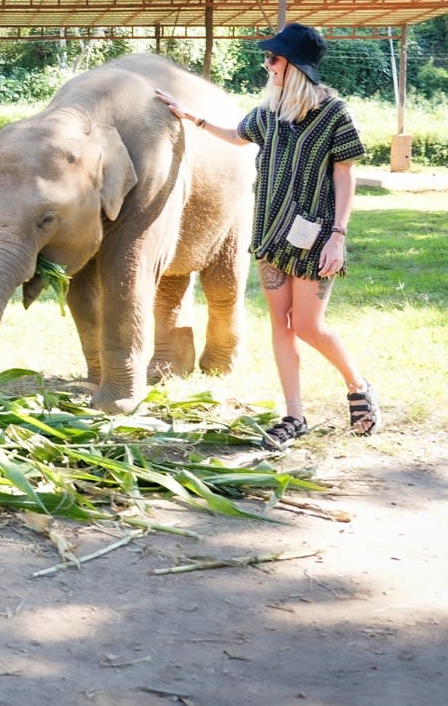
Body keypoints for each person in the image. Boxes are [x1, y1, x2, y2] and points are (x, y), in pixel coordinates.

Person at [154, 22, 380, 447]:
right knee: (280, 323)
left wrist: (339, 235)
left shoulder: (335, 113)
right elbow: (237, 137)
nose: (267, 64)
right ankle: (294, 416)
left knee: (309, 326)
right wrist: (190, 117)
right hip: (272, 234)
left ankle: (358, 385)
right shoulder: (268, 112)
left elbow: (344, 174)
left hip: (316, 237)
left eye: (274, 58)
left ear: (294, 65)